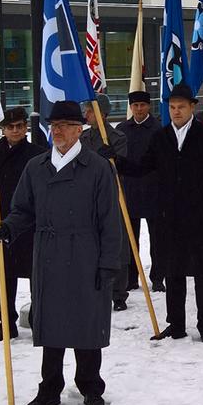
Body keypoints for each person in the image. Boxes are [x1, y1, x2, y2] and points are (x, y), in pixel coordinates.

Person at [0, 100, 122, 405]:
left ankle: (90, 386)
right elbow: (23, 210)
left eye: (64, 125)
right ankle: (49, 388)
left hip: (86, 254)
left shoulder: (97, 168)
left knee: (86, 326)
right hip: (49, 255)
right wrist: (7, 229)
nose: (57, 131)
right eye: (53, 126)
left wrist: (109, 263)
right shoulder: (36, 167)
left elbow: (110, 220)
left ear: (79, 130)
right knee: (51, 325)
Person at [127, 83, 203, 342]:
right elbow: (143, 167)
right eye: (172, 107)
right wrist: (116, 161)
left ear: (193, 107)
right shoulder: (160, 138)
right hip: (168, 218)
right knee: (173, 273)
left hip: (201, 218)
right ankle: (177, 324)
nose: (176, 111)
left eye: (181, 107)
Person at [0, 107, 47, 342]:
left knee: (36, 276)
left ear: (26, 128)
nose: (15, 131)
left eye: (20, 126)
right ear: (3, 129)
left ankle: (38, 321)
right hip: (0, 222)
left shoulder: (38, 153)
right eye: (10, 127)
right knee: (5, 276)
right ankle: (6, 324)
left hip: (30, 223)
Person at [78, 94, 131, 312]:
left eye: (89, 111)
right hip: (87, 197)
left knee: (117, 243)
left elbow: (121, 167)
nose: (86, 115)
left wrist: (112, 159)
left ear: (101, 113)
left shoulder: (116, 137)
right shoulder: (82, 138)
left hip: (112, 195)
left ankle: (119, 292)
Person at [114, 91, 165, 293]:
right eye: (135, 106)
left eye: (143, 105)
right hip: (129, 190)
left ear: (149, 106)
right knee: (129, 239)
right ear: (130, 107)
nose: (139, 109)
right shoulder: (121, 129)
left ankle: (158, 277)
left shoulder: (159, 129)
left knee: (157, 239)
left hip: (154, 191)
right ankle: (131, 278)